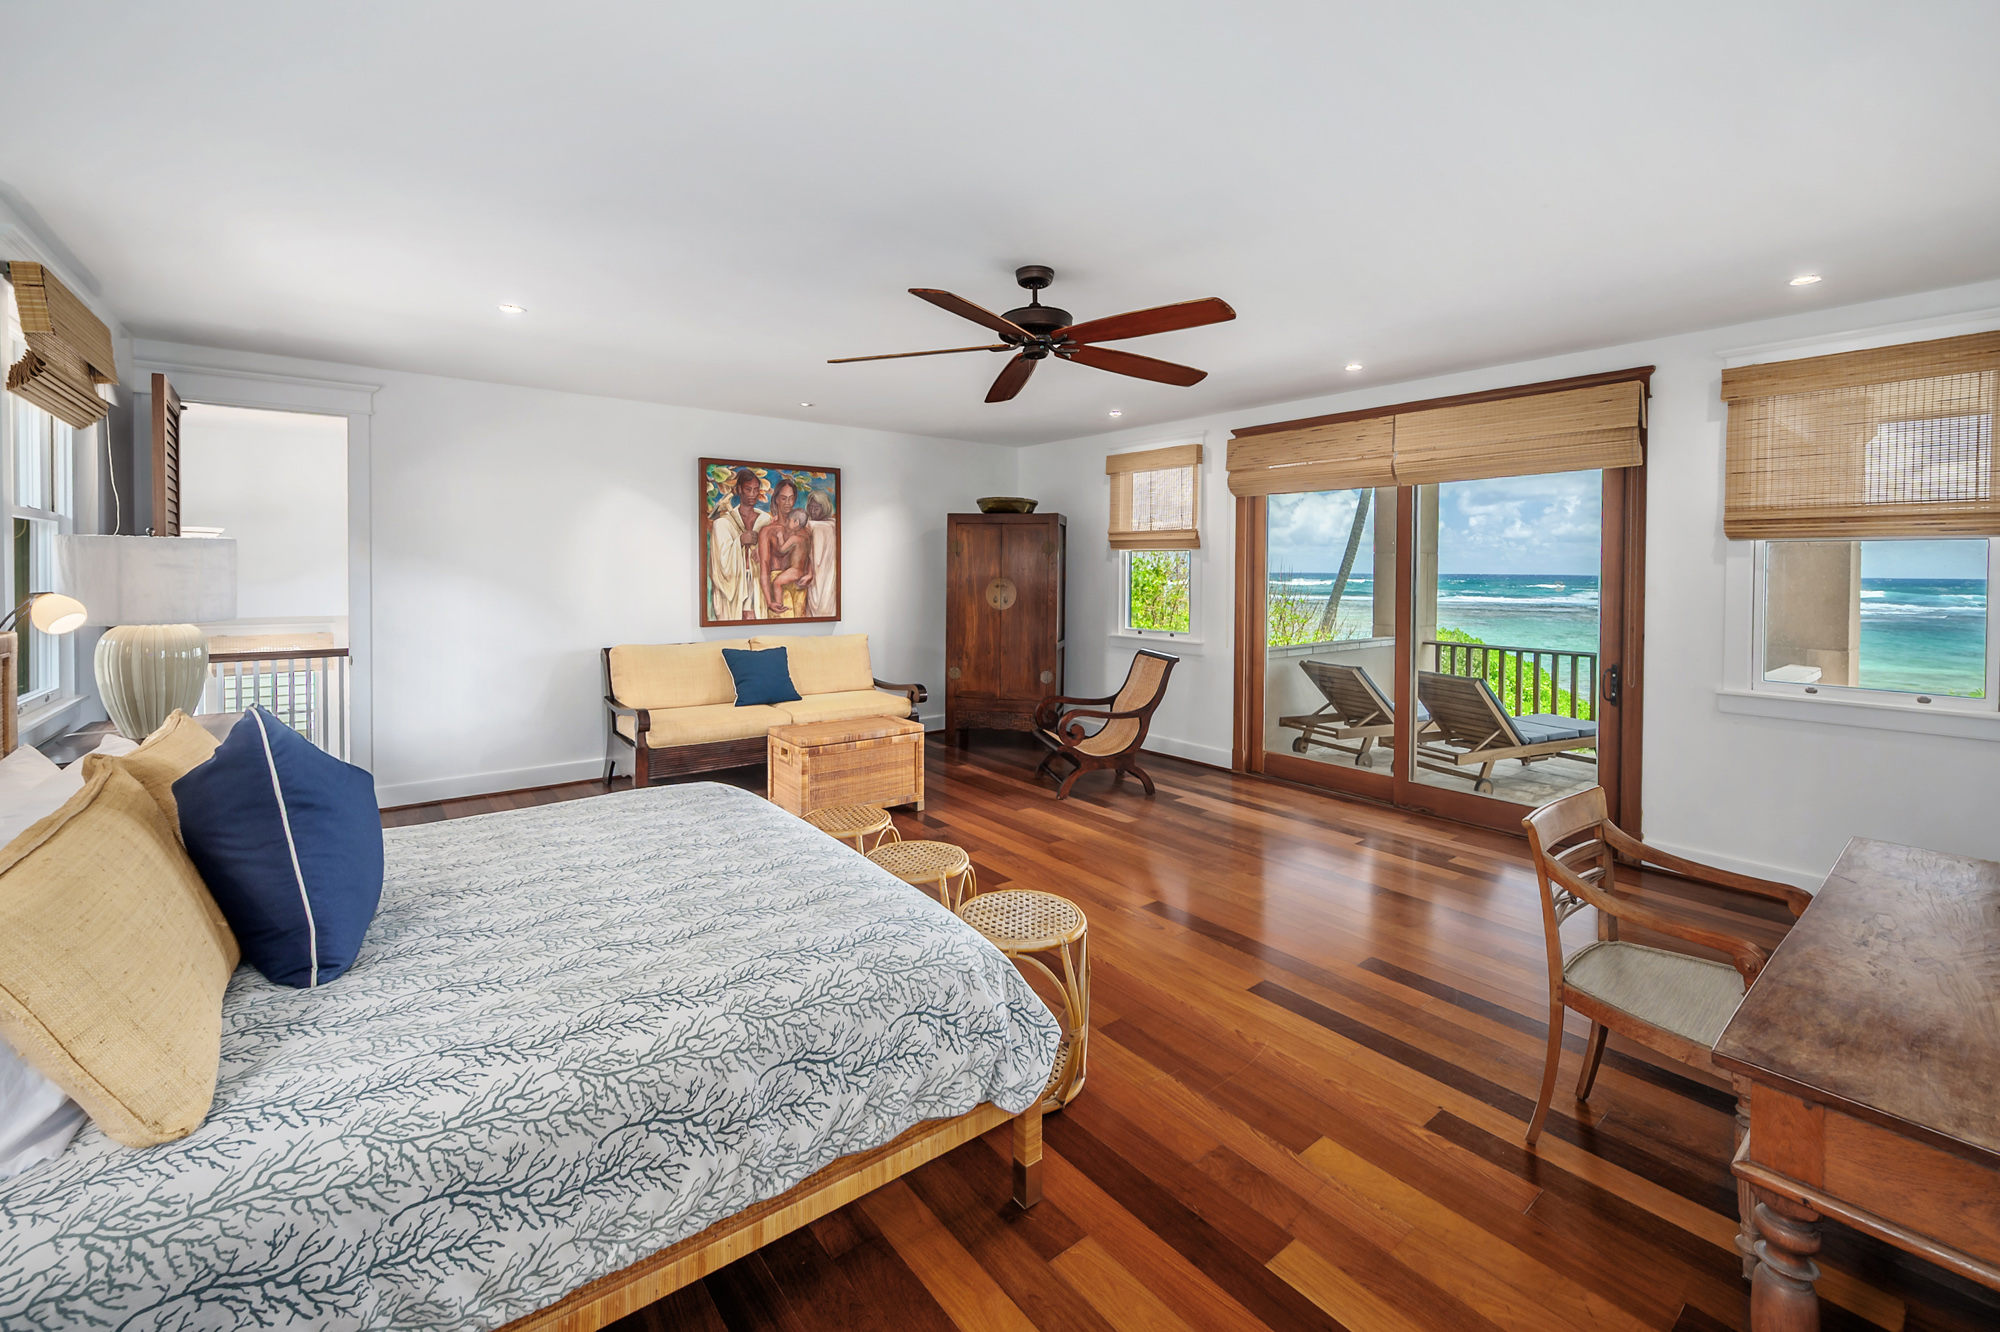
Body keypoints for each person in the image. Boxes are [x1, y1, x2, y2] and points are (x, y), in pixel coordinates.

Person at [707, 468, 769, 621]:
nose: (753, 494)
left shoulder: (765, 520)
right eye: (748, 489)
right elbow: (720, 561)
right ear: (740, 489)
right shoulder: (723, 523)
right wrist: (740, 541)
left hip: (758, 584)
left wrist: (762, 550)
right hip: (736, 586)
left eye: (756, 490)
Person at [755, 479, 801, 617]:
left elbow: (808, 556)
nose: (788, 503)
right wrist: (769, 601)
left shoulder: (802, 529)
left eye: (791, 498)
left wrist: (809, 575)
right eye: (784, 498)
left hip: (798, 586)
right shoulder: (767, 531)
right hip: (777, 588)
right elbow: (764, 566)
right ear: (776, 500)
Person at [763, 509, 814, 617]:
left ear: (796, 522)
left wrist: (780, 536)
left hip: (794, 570)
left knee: (777, 582)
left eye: (789, 520)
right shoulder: (806, 536)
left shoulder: (795, 538)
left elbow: (781, 549)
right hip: (802, 570)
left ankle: (779, 605)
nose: (787, 523)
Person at [804, 488, 838, 618]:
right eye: (810, 507)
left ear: (824, 507)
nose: (812, 511)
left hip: (828, 574)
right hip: (815, 575)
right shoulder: (812, 524)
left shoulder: (827, 525)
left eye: (816, 508)